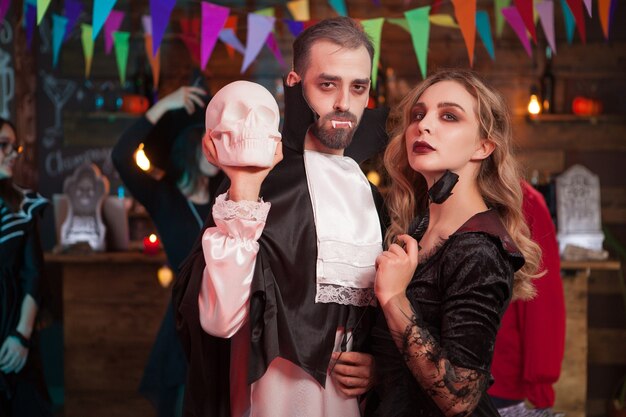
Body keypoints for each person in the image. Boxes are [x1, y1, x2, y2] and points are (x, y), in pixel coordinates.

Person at [173, 17, 389, 417]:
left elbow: (383, 314)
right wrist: (243, 192)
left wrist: (379, 365)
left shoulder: (371, 194)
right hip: (271, 396)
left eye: (358, 87)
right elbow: (220, 319)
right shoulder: (259, 183)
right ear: (295, 84)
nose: (344, 102)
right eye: (327, 84)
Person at [368, 69, 543, 417]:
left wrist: (393, 298)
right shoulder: (416, 228)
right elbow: (421, 356)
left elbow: (460, 396)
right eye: (418, 115)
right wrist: (377, 371)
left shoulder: (478, 248)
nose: (423, 125)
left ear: (483, 146)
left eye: (449, 116)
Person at [111, 86, 223, 417]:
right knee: (181, 401)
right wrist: (163, 106)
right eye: (207, 142)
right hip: (185, 318)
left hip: (227, 311)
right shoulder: (164, 197)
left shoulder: (228, 192)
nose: (214, 150)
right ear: (189, 146)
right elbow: (121, 155)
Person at [487, 180, 566, 416]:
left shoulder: (522, 200)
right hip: (430, 373)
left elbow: (543, 301)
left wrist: (540, 384)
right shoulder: (426, 192)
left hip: (499, 375)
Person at [0, 118, 52, 416]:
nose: (12, 153)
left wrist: (21, 336)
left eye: (14, 146)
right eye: (3, 145)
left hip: (15, 336)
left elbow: (34, 274)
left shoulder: (23, 204)